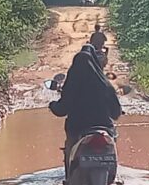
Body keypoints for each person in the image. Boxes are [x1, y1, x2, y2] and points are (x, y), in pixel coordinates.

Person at [49, 44, 122, 177]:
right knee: (113, 145)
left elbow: (62, 110)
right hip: (104, 128)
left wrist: (52, 105)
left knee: (69, 150)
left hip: (77, 129)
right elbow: (116, 112)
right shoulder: (105, 85)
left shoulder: (71, 85)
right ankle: (116, 177)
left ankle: (69, 180)